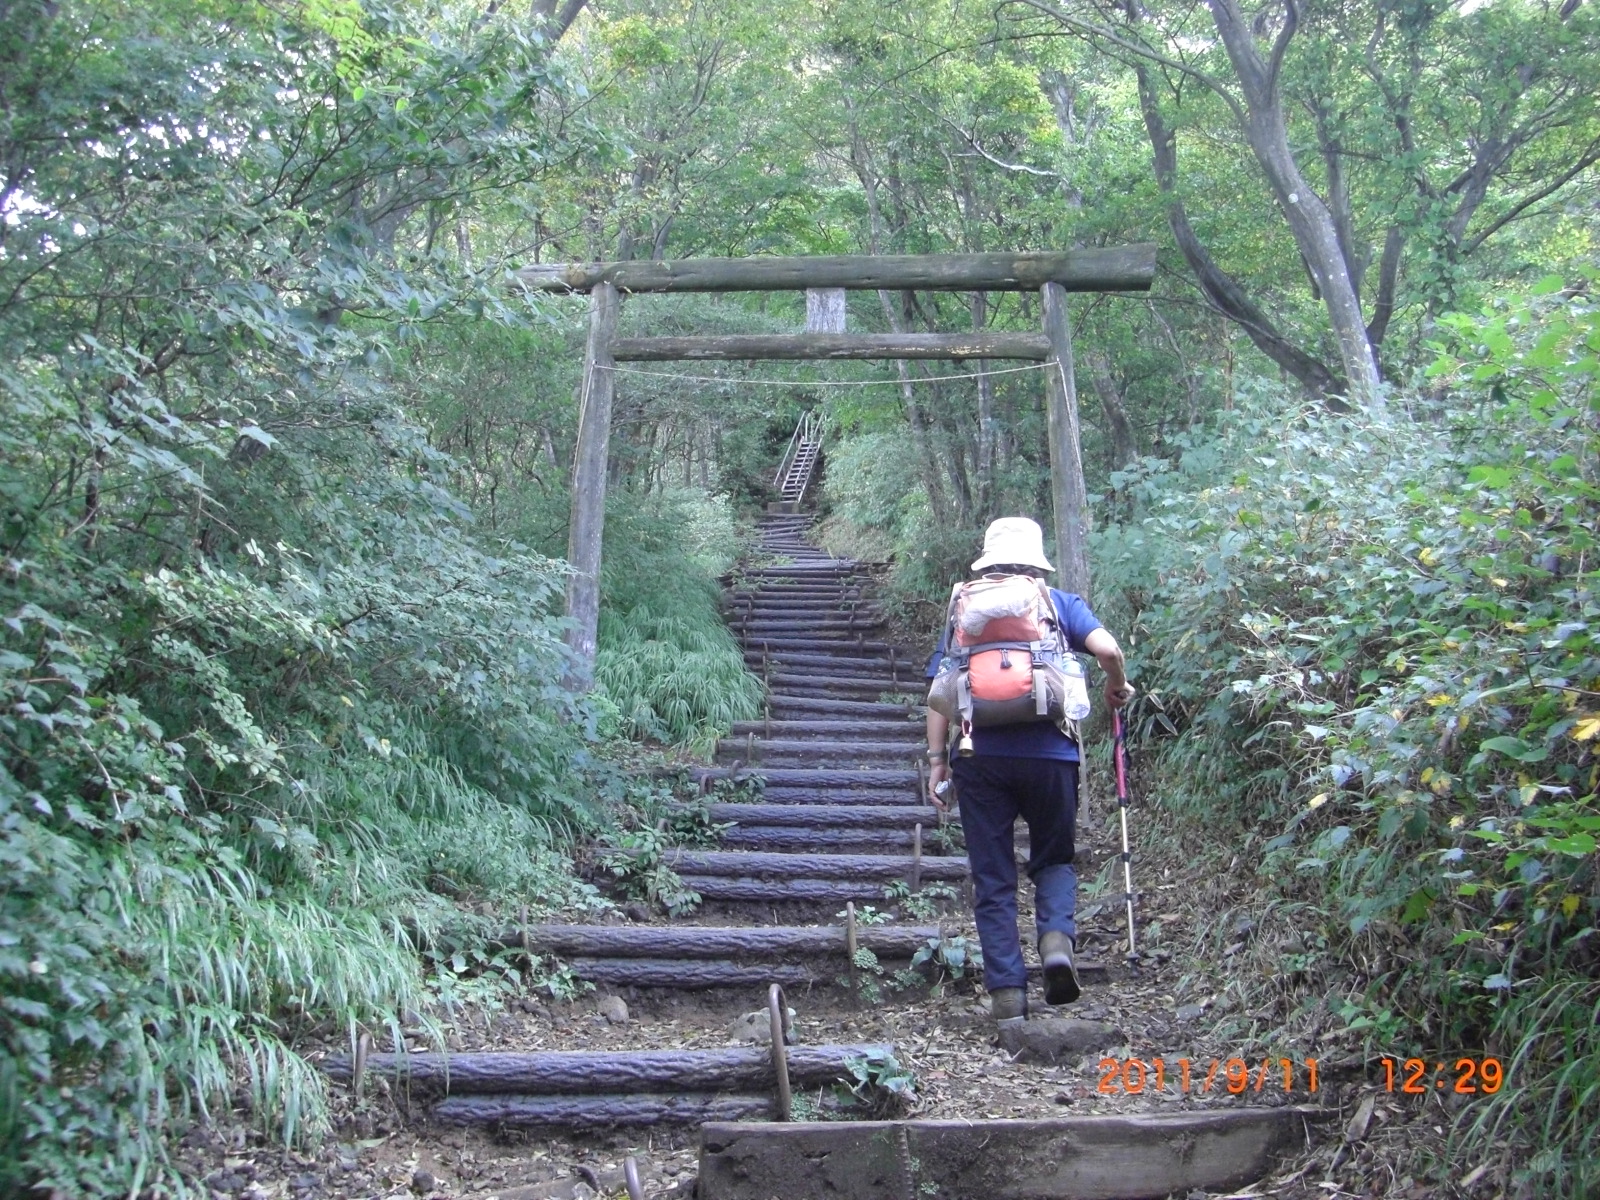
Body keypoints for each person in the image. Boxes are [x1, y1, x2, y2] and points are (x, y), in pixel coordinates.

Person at [925, 517, 1134, 1024]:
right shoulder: (1057, 603)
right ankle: (1056, 942)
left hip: (977, 757)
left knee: (993, 876)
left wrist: (936, 762)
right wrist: (1116, 686)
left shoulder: (963, 608)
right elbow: (1109, 651)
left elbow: (938, 692)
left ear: (988, 563)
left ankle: (1007, 993)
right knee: (1054, 858)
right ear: (1036, 562)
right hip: (1051, 755)